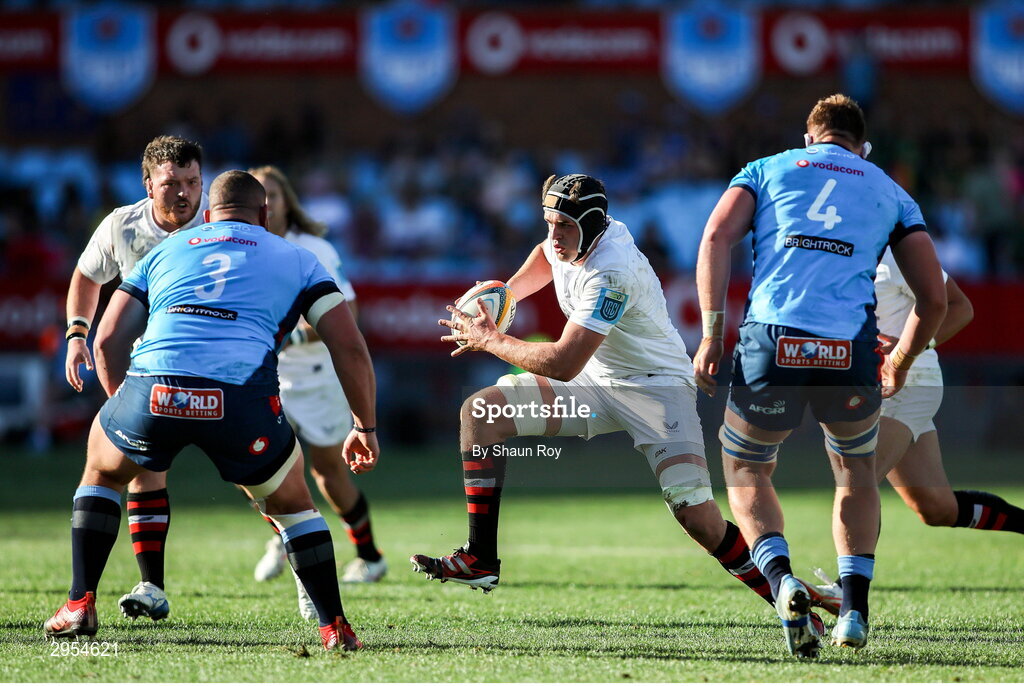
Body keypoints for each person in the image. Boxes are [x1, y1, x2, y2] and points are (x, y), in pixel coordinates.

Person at [411, 173, 801, 620]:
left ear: (592, 225)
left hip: (656, 391)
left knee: (698, 518)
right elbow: (544, 256)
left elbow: (563, 362)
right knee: (480, 413)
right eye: (549, 223)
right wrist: (506, 294)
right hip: (595, 385)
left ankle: (788, 596)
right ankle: (480, 558)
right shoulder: (570, 241)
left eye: (566, 227)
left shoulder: (612, 271)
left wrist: (490, 339)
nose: (554, 237)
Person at [44, 170, 379, 651]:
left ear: (206, 215)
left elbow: (109, 337)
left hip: (156, 389)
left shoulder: (167, 249)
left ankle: (79, 602)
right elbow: (350, 348)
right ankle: (335, 628)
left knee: (101, 470)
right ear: (265, 216)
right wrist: (364, 426)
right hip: (240, 401)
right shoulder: (298, 257)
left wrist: (126, 408)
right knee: (293, 505)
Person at [692, 94, 947, 656]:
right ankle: (853, 608)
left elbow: (715, 238)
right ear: (863, 147)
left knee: (745, 467)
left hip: (772, 342)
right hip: (849, 350)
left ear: (809, 138)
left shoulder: (766, 169)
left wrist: (712, 335)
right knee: (855, 474)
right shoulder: (891, 191)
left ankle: (783, 583)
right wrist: (900, 361)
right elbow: (935, 298)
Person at [812, 248, 1024, 592]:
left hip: (910, 383)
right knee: (936, 507)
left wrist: (905, 352)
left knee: (858, 478)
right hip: (864, 388)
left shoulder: (896, 253)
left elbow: (960, 307)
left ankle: (846, 594)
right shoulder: (824, 252)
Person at [64, 135, 208, 622]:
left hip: (216, 370)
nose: (184, 193)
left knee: (272, 484)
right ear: (148, 184)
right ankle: (148, 587)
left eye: (193, 182)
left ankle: (307, 580)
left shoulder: (219, 221)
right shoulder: (120, 226)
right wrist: (76, 332)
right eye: (171, 184)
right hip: (148, 373)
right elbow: (86, 276)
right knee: (138, 464)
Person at [248, 166, 386, 619]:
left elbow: (348, 310)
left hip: (317, 375)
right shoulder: (240, 247)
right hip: (266, 377)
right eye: (258, 197)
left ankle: (369, 556)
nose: (266, 204)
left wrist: (289, 335)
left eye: (273, 195)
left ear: (286, 201)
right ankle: (283, 538)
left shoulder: (316, 248)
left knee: (328, 471)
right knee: (254, 468)